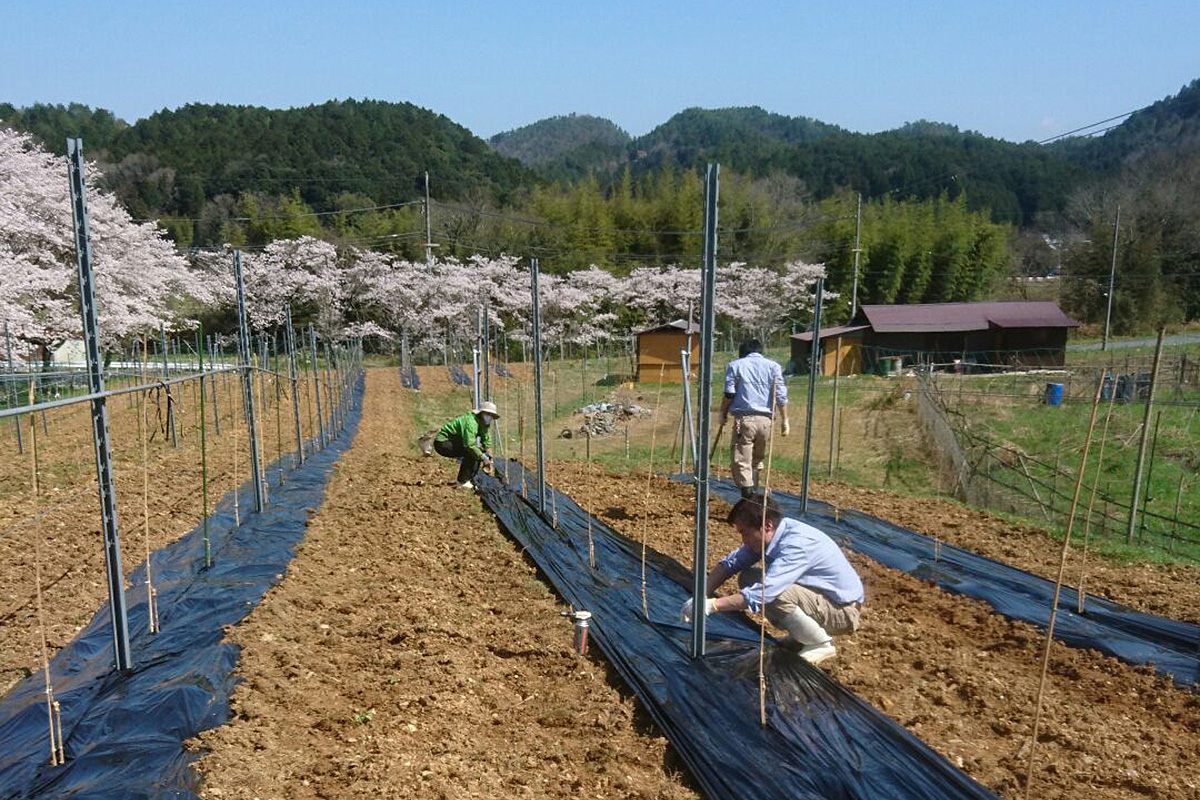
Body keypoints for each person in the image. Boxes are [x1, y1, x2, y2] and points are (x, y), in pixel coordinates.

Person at [680, 494, 863, 665]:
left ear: (767, 526)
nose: (743, 540)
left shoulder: (796, 544)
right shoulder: (773, 535)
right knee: (749, 578)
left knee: (776, 593)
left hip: (842, 612)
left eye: (745, 533)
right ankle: (803, 635)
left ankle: (820, 644)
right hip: (820, 600)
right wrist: (702, 594)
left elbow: (764, 593)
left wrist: (713, 605)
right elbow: (731, 563)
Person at [719, 338, 788, 498]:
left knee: (742, 460)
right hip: (766, 422)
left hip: (744, 420)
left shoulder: (735, 365)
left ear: (743, 352)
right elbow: (781, 396)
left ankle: (749, 500)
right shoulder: (774, 367)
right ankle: (754, 495)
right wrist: (785, 419)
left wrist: (722, 412)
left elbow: (730, 394)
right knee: (756, 460)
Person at [433, 401, 499, 489]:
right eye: (488, 414)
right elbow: (469, 445)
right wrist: (483, 458)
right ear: (481, 413)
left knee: (478, 452)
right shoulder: (471, 422)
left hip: (454, 441)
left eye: (492, 415)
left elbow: (486, 439)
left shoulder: (483, 423)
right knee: (472, 452)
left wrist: (489, 457)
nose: (489, 417)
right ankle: (462, 481)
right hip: (443, 442)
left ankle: (469, 479)